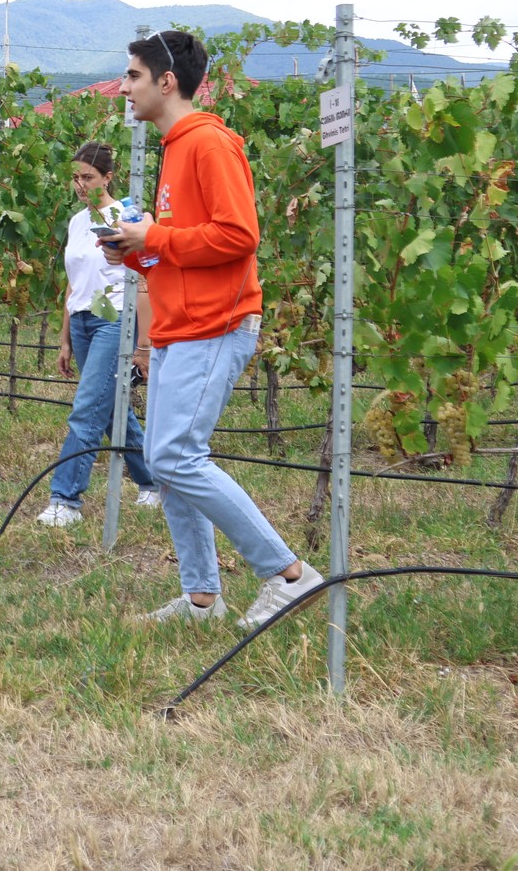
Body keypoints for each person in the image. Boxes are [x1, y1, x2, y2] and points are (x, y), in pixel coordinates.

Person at [103, 31, 323, 628]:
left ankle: (288, 575)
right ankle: (202, 598)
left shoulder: (207, 143)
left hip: (215, 324)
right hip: (181, 325)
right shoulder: (176, 147)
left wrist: (154, 236)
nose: (123, 88)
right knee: (164, 460)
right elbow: (184, 247)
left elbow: (239, 236)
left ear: (166, 81)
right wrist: (137, 252)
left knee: (176, 457)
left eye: (132, 76)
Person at [36, 141, 162, 527]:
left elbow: (146, 279)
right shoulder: (78, 222)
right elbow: (73, 283)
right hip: (82, 321)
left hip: (115, 319)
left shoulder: (128, 217)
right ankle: (154, 482)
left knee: (88, 406)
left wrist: (144, 345)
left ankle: (66, 499)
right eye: (75, 177)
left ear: (108, 177)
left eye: (88, 177)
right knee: (112, 409)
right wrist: (64, 338)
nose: (80, 185)